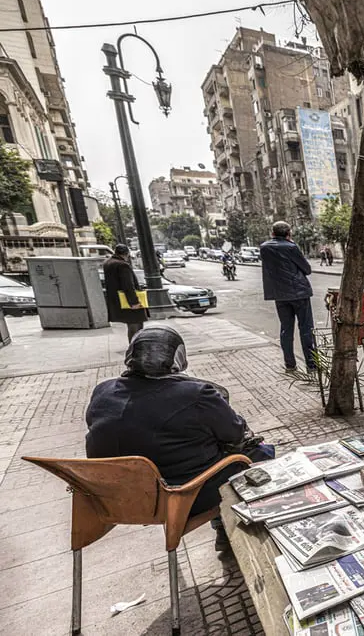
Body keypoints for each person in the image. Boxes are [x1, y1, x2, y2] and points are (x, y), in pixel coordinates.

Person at [84, 325, 271, 549]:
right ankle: (231, 529)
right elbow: (235, 434)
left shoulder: (103, 391)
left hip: (116, 498)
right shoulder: (197, 394)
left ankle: (226, 529)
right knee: (260, 453)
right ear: (178, 358)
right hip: (182, 495)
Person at [260, 221, 317, 372]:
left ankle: (290, 364)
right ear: (289, 233)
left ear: (272, 233)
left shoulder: (264, 248)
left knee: (286, 329)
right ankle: (311, 364)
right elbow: (307, 269)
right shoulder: (291, 247)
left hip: (280, 295)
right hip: (299, 293)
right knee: (306, 329)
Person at [103, 244, 147, 343]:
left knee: (132, 322)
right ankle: (135, 345)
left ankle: (134, 344)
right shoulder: (123, 265)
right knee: (135, 322)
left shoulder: (107, 263)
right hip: (126, 299)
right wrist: (134, 302)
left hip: (115, 299)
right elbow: (128, 285)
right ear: (126, 254)